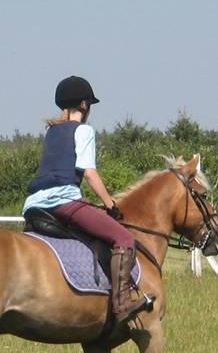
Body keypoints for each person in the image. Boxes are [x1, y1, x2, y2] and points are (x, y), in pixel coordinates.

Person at [23, 75, 152, 324]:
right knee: (124, 237)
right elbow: (89, 173)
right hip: (63, 201)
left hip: (33, 204)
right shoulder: (84, 130)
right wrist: (110, 204)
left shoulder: (52, 131)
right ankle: (122, 303)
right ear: (84, 104)